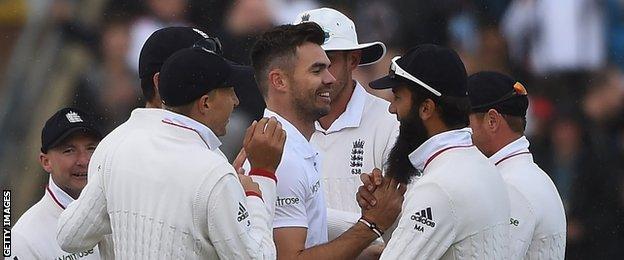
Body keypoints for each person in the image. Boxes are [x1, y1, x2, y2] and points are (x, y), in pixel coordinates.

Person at [57, 46, 285, 258]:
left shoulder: (118, 146)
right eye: (230, 92)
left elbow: (70, 236)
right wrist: (261, 179)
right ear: (205, 103)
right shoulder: (215, 174)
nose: (236, 101)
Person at [250, 21, 405, 259]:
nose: (329, 78)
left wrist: (367, 249)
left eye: (329, 65)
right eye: (317, 69)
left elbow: (311, 239)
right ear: (279, 81)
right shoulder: (281, 157)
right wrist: (371, 225)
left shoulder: (288, 146)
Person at [358, 44, 511, 259]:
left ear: (426, 108)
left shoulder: (437, 187)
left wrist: (371, 223)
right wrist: (387, 214)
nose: (391, 108)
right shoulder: (484, 166)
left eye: (398, 97)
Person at [293, 7, 400, 241]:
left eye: (326, 62)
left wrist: (298, 218)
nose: (319, 76)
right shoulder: (275, 129)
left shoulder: (390, 124)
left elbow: (402, 228)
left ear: (353, 60)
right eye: (307, 65)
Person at [466, 71, 566, 259]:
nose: (458, 132)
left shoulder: (510, 187)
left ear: (492, 121)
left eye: (464, 121)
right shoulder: (522, 177)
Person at [11, 107, 102, 259]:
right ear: (46, 162)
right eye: (69, 150)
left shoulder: (121, 208)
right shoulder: (22, 238)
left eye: (91, 148)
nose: (84, 160)